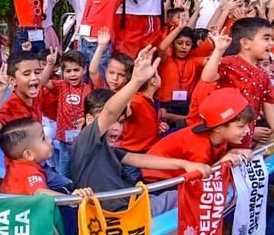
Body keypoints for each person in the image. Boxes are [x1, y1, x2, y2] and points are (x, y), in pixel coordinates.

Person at [69, 45, 205, 214]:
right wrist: (136, 81)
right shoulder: (86, 141)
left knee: (176, 195)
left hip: (130, 207)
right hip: (117, 215)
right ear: (89, 120)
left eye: (120, 122)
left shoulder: (106, 148)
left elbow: (139, 160)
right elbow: (110, 112)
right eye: (111, 121)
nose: (116, 127)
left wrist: (185, 164)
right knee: (185, 197)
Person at [192, 21, 274, 147]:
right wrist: (218, 50)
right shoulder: (230, 63)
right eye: (266, 38)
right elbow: (207, 77)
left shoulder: (262, 74)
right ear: (245, 43)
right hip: (224, 135)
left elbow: (267, 104)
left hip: (245, 134)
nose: (271, 43)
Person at [143, 88, 254, 183]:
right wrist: (222, 162)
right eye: (241, 126)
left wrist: (233, 152)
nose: (247, 130)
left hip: (176, 176)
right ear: (218, 128)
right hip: (159, 182)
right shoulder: (198, 145)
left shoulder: (219, 135)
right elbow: (203, 176)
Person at [37, 49, 92, 177]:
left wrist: (85, 119)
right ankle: (65, 190)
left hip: (82, 137)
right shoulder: (61, 85)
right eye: (68, 71)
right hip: (64, 138)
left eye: (76, 70)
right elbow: (43, 81)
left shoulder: (89, 89)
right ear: (62, 72)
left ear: (84, 70)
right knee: (64, 167)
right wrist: (50, 65)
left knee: (82, 166)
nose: (72, 74)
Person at [0, 49, 48, 126]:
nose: (34, 77)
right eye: (27, 74)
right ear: (13, 80)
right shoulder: (9, 109)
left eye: (37, 72)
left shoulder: (39, 95)